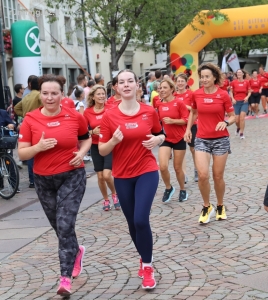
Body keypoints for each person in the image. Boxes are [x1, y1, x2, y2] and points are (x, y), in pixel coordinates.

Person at [18, 74, 92, 296]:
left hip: (72, 175)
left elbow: (86, 138)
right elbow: (22, 152)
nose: (49, 97)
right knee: (60, 228)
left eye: (54, 93)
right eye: (45, 93)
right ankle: (76, 251)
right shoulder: (30, 119)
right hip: (43, 180)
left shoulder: (74, 116)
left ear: (62, 95)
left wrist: (81, 153)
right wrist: (38, 147)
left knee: (65, 224)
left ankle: (65, 278)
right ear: (40, 94)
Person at [99, 69, 165, 290]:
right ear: (116, 87)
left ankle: (147, 267)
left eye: (130, 81)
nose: (126, 85)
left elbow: (161, 133)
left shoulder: (149, 111)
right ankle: (143, 255)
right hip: (122, 175)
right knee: (131, 223)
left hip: (146, 170)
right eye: (121, 82)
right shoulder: (109, 116)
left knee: (140, 219)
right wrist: (113, 142)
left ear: (138, 85)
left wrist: (158, 139)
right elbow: (101, 150)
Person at [184, 62, 235, 224]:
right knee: (203, 175)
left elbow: (233, 116)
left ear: (214, 78)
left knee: (217, 176)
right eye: (202, 77)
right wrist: (187, 130)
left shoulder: (223, 95)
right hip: (202, 139)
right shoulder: (196, 94)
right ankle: (207, 206)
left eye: (207, 77)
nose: (204, 79)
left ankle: (220, 205)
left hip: (221, 140)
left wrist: (226, 122)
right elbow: (193, 112)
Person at [84, 85, 120, 211]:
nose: (101, 96)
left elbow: (118, 123)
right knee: (100, 176)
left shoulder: (111, 108)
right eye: (98, 94)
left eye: (103, 94)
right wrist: (93, 131)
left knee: (106, 174)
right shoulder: (87, 112)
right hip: (95, 146)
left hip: (108, 144)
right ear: (93, 96)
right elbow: (83, 132)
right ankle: (106, 199)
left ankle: (115, 194)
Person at [156, 78, 189, 203]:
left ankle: (182, 190)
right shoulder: (158, 104)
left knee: (177, 168)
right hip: (166, 138)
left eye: (165, 88)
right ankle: (168, 188)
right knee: (163, 166)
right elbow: (157, 121)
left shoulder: (179, 103)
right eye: (160, 88)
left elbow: (186, 120)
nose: (162, 90)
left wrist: (173, 121)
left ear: (171, 89)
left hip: (179, 138)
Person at [14, 77, 41, 188]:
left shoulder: (26, 97)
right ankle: (38, 177)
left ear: (30, 85)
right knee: (38, 150)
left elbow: (16, 108)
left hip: (26, 124)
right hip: (38, 123)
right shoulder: (39, 95)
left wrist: (25, 114)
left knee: (29, 151)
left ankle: (31, 180)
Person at [174, 73, 198, 182]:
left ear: (186, 82)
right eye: (178, 81)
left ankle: (197, 169)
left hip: (192, 124)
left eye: (182, 81)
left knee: (193, 149)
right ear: (175, 82)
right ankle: (184, 174)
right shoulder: (173, 95)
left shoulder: (191, 94)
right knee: (180, 151)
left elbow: (195, 109)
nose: (180, 83)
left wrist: (185, 106)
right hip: (179, 125)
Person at [230, 69, 251, 139]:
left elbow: (249, 91)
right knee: (236, 120)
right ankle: (238, 127)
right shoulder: (233, 82)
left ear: (243, 74)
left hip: (244, 102)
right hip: (236, 102)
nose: (238, 73)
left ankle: (241, 133)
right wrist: (232, 99)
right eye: (237, 73)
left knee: (242, 118)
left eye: (240, 72)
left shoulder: (247, 82)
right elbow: (231, 92)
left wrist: (247, 97)